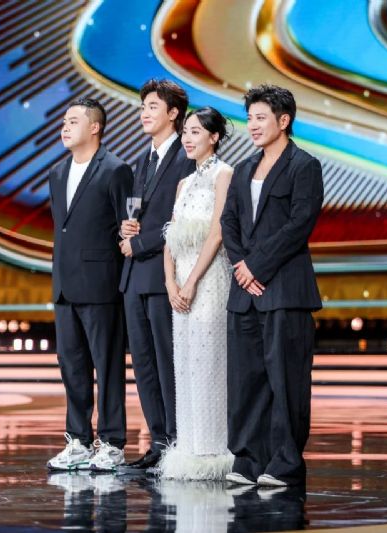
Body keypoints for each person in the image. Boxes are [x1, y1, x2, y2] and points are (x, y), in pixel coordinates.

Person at [220, 85, 324, 487]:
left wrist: (257, 266)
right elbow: (229, 221)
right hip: (244, 292)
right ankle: (248, 460)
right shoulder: (244, 168)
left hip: (284, 290)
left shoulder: (304, 166)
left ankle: (284, 463)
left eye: (260, 118)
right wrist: (240, 266)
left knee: (286, 380)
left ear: (284, 120)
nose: (252, 125)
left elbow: (299, 225)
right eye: (249, 118)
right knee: (245, 381)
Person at [46, 98, 133, 472]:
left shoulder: (115, 170)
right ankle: (78, 441)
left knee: (107, 366)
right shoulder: (57, 173)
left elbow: (127, 227)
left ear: (95, 127)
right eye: (64, 122)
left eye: (73, 121)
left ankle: (112, 443)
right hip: (65, 286)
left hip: (101, 285)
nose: (65, 127)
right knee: (72, 366)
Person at [118, 79, 196, 473]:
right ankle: (159, 443)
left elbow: (182, 221)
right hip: (134, 277)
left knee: (168, 363)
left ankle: (178, 443)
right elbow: (138, 213)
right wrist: (126, 230)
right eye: (143, 106)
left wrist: (141, 242)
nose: (144, 113)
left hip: (165, 276)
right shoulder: (142, 160)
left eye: (152, 106)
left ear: (173, 113)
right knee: (144, 366)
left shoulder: (186, 157)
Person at [157, 107, 234, 480]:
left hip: (209, 280)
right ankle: (188, 447)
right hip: (180, 284)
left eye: (195, 132)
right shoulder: (183, 183)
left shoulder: (225, 174)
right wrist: (171, 283)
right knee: (185, 363)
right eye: (185, 131)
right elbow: (170, 238)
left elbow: (218, 233)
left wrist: (191, 283)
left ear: (214, 137)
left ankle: (212, 448)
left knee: (209, 361)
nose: (187, 138)